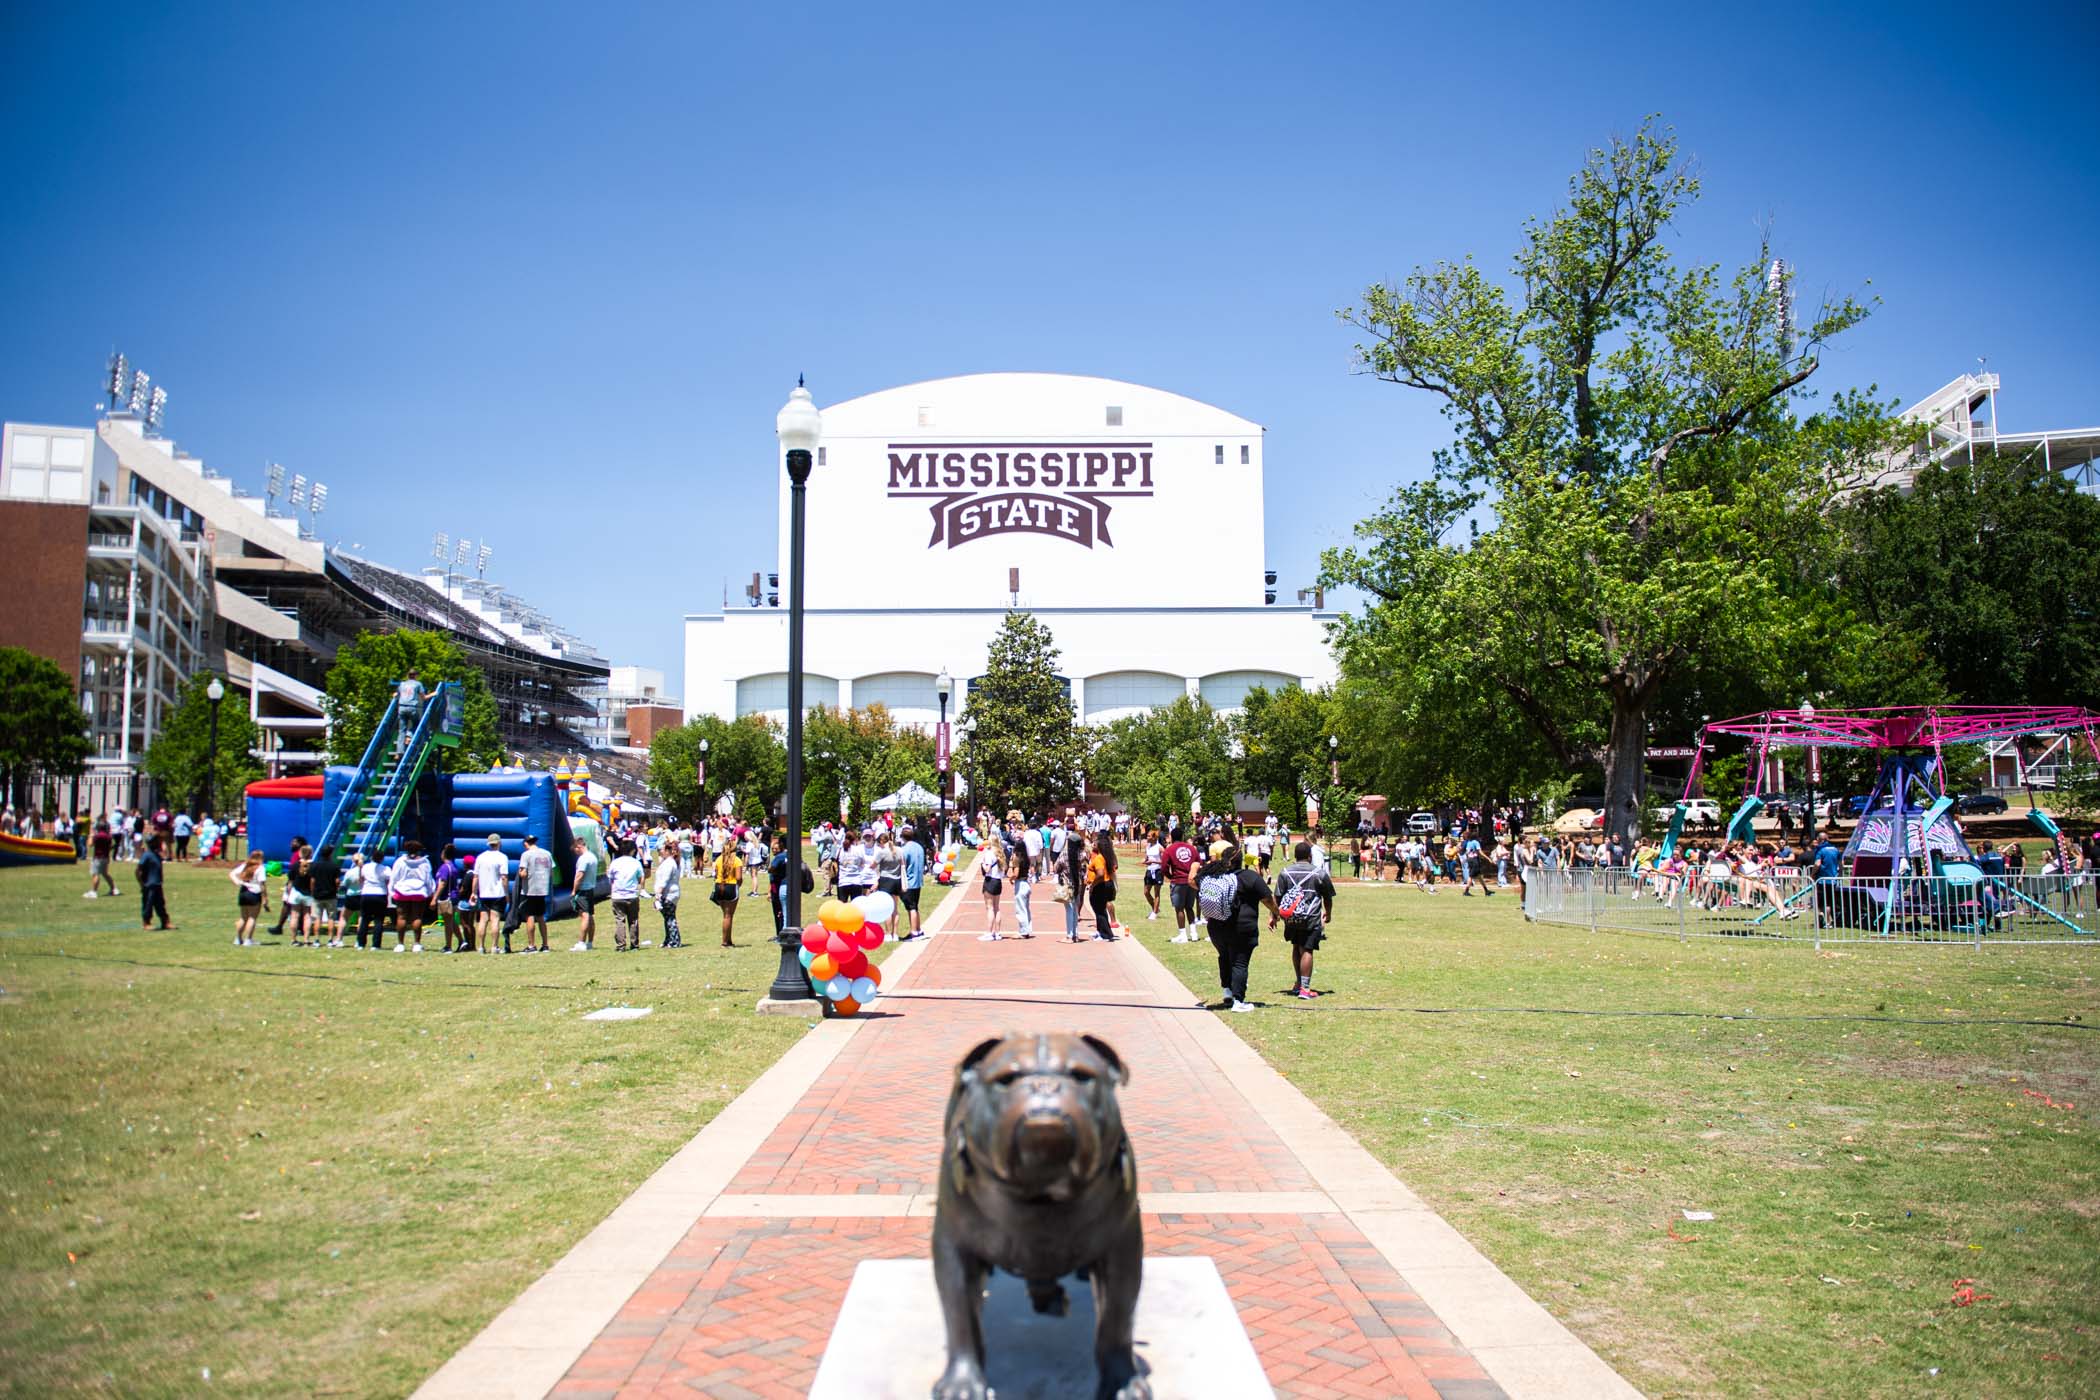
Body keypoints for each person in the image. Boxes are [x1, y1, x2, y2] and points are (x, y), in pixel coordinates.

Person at [1195, 837, 1277, 1013]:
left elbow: (1194, 881)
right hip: (1242, 928)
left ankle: (1227, 992)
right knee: (1240, 962)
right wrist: (1276, 913)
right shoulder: (1250, 877)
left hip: (1216, 926)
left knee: (1224, 957)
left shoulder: (1215, 876)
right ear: (1241, 860)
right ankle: (1238, 1001)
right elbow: (1268, 899)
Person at [1273, 840, 1337, 999]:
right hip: (1311, 917)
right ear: (1310, 856)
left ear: (1295, 856)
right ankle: (1305, 989)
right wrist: (1328, 913)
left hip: (1291, 918)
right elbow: (1328, 897)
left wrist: (1274, 915)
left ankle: (1299, 983)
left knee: (1296, 947)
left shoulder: (1285, 872)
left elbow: (1277, 897)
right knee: (1307, 949)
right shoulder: (1319, 873)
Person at [389, 839, 435, 951]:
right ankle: (417, 944)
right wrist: (431, 892)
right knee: (417, 917)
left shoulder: (400, 861)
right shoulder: (424, 862)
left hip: (402, 891)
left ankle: (400, 944)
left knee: (401, 917)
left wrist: (391, 890)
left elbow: (394, 876)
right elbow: (428, 878)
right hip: (419, 892)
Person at [516, 832, 554, 952]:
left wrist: (519, 873)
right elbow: (551, 871)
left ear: (526, 844)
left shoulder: (526, 855)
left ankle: (531, 945)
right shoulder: (547, 854)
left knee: (530, 917)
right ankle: (545, 944)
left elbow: (524, 874)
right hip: (542, 888)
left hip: (530, 890)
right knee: (541, 917)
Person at [1162, 826, 1199, 943]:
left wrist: (1170, 876)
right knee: (1189, 907)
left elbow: (1163, 867)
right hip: (1191, 881)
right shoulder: (1192, 849)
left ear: (1172, 837)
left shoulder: (1169, 849)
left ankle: (1182, 934)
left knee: (1179, 909)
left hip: (1178, 881)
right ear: (1183, 836)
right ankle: (1194, 934)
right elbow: (1198, 862)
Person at [474, 835, 509, 954]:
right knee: (495, 919)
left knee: (483, 920)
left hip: (484, 893)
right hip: (497, 893)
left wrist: (473, 892)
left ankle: (481, 946)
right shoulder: (502, 857)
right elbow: (504, 877)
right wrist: (507, 893)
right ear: (499, 843)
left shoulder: (480, 857)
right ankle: (494, 946)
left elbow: (476, 877)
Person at [608, 842, 646, 952]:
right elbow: (641, 877)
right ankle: (634, 945)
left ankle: (621, 945)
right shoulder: (635, 863)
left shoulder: (615, 863)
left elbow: (611, 878)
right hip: (632, 894)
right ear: (633, 850)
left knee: (620, 920)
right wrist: (640, 887)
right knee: (633, 920)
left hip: (617, 895)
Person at [228, 851, 268, 946]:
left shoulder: (246, 865)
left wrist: (238, 882)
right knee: (252, 917)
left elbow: (232, 873)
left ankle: (238, 939)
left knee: (243, 917)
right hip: (254, 893)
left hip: (243, 892)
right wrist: (265, 898)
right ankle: (248, 940)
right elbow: (262, 884)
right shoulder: (260, 868)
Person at [710, 838, 744, 946]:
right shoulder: (737, 860)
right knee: (728, 915)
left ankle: (728, 940)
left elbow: (715, 874)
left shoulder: (719, 859)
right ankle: (725, 941)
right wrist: (739, 884)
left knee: (725, 914)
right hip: (731, 887)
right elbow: (738, 877)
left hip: (719, 886)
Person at [1086, 830, 1118, 941]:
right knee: (1099, 910)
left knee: (1099, 910)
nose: (1093, 844)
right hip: (1104, 885)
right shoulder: (1102, 856)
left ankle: (1105, 934)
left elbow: (1100, 874)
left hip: (1100, 886)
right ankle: (1100, 931)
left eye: (1095, 843)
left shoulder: (1099, 858)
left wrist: (1093, 885)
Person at [431, 843, 464, 952]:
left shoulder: (445, 868)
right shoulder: (454, 867)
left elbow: (442, 883)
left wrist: (434, 898)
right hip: (454, 896)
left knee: (448, 923)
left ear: (444, 854)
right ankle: (461, 941)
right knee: (452, 921)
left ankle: (448, 946)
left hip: (447, 897)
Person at [570, 838, 601, 951]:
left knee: (584, 915)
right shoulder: (593, 857)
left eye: (575, 850)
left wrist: (574, 890)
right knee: (590, 916)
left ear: (579, 847)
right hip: (591, 888)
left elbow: (579, 875)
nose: (576, 853)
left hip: (583, 889)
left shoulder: (583, 859)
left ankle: (581, 942)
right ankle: (590, 942)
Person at [137, 833, 170, 931]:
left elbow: (165, 853)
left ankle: (165, 922)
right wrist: (142, 884)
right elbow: (138, 870)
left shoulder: (156, 854)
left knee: (160, 904)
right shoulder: (147, 855)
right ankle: (146, 922)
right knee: (148, 904)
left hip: (157, 883)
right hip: (149, 885)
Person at [313, 843, 344, 947]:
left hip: (317, 895)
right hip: (331, 895)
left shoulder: (315, 865)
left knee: (318, 918)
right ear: (330, 854)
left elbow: (312, 880)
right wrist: (337, 888)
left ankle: (316, 940)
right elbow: (337, 881)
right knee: (331, 918)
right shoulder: (334, 866)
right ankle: (330, 940)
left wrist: (313, 891)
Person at [975, 836, 1006, 941]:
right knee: (997, 907)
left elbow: (987, 869)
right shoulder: (1000, 853)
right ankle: (997, 932)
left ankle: (989, 932)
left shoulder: (989, 854)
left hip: (990, 881)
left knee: (990, 908)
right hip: (998, 881)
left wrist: (982, 863)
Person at [900, 823, 927, 938]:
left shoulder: (905, 849)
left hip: (909, 882)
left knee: (911, 908)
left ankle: (914, 932)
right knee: (915, 906)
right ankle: (918, 929)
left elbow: (903, 865)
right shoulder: (919, 847)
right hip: (918, 881)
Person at [653, 843, 682, 949]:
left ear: (667, 851)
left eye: (661, 849)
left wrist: (658, 895)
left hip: (669, 894)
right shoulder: (667, 862)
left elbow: (664, 880)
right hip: (668, 893)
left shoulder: (669, 864)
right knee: (667, 918)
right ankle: (668, 939)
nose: (660, 851)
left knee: (670, 918)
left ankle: (674, 941)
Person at [1009, 820, 1035, 939]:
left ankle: (1023, 931)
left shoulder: (1017, 858)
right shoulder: (1026, 858)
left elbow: (1016, 872)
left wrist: (1011, 878)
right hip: (1027, 883)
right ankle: (1028, 929)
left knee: (1020, 909)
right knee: (1026, 908)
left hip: (1020, 883)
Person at [85, 819, 117, 899]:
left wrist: (91, 835)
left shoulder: (98, 836)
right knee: (105, 874)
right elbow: (112, 846)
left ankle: (94, 892)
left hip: (98, 857)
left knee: (95, 874)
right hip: (106, 857)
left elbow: (90, 844)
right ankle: (114, 889)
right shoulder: (108, 836)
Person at [396, 669, 425, 747]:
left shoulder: (402, 684)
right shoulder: (418, 684)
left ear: (408, 676)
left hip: (401, 708)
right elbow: (424, 697)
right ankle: (409, 736)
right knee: (417, 724)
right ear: (415, 676)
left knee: (401, 730)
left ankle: (399, 751)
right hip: (411, 708)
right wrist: (434, 694)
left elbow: (396, 694)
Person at [1141, 828, 1164, 922]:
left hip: (1158, 871)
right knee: (1146, 892)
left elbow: (1164, 861)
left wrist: (1153, 861)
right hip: (1149, 871)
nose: (1147, 837)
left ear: (1154, 838)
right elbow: (1146, 858)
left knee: (1156, 893)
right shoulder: (1148, 846)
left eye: (1149, 836)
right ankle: (1156, 908)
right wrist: (1145, 861)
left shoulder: (1160, 847)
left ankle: (1154, 912)